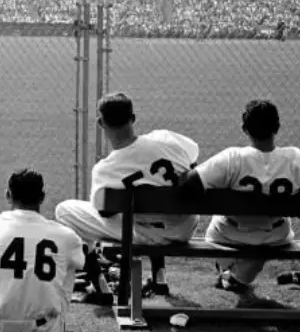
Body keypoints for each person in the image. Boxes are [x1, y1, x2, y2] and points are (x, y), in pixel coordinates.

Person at [178, 100, 300, 297]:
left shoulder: (232, 158)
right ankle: (233, 277)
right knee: (264, 238)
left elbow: (188, 184)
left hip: (228, 234)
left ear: (244, 129)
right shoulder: (295, 158)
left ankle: (229, 275)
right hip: (274, 237)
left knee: (218, 223)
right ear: (277, 127)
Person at [54, 92, 200, 301]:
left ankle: (99, 286)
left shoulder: (106, 169)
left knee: (65, 210)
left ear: (100, 122)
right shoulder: (167, 140)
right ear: (133, 118)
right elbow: (193, 163)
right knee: (152, 205)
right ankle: (160, 277)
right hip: (184, 228)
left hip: (145, 235)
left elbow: (104, 211)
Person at [0, 169, 86, 332]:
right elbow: (81, 263)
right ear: (42, 197)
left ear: (8, 195)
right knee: (69, 263)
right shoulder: (65, 235)